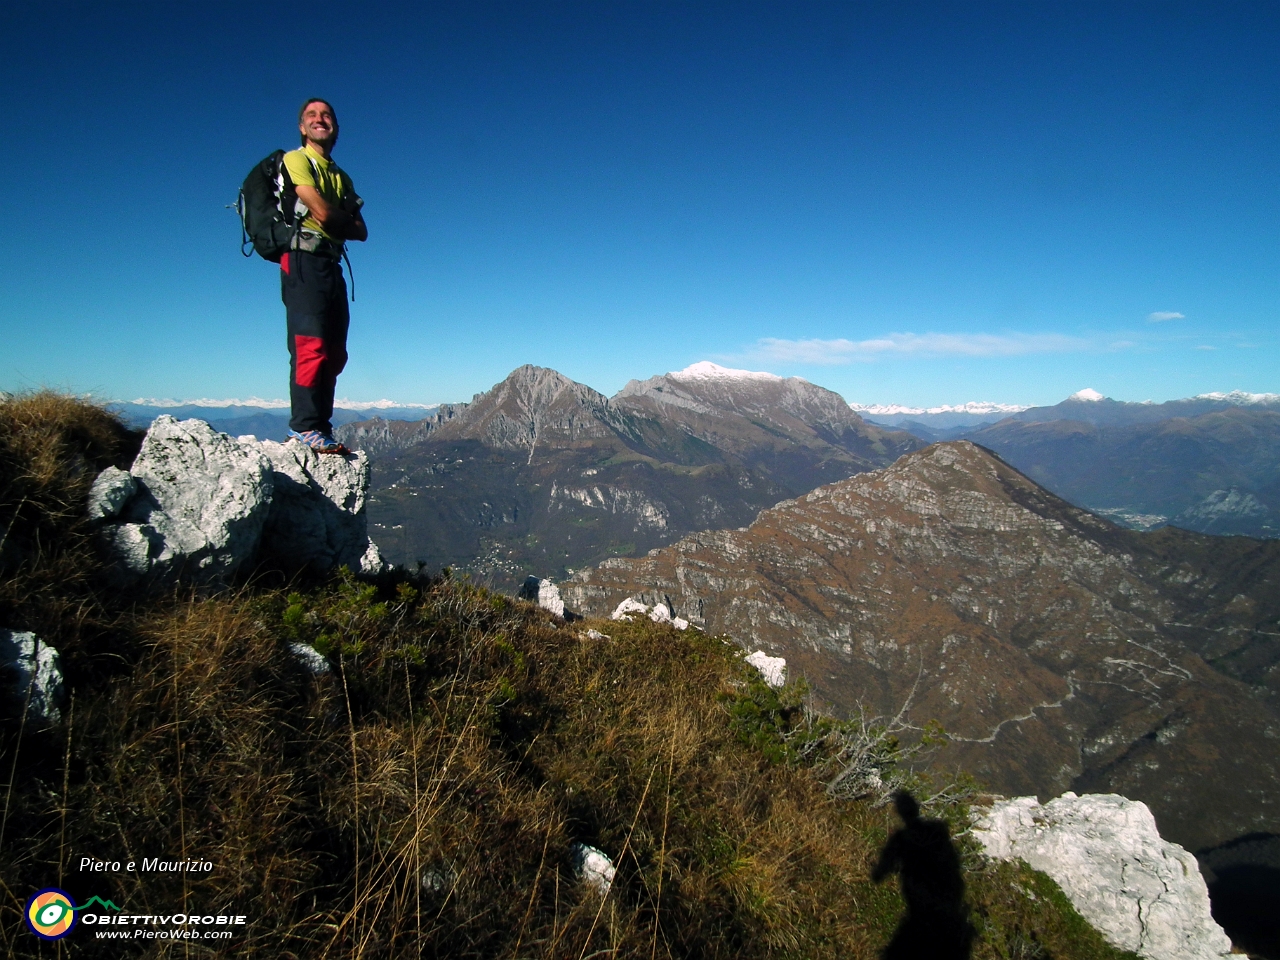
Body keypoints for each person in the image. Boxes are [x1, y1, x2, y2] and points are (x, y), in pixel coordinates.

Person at [281, 98, 367, 453]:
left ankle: (321, 426)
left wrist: (334, 218)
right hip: (302, 260)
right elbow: (321, 212)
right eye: (312, 116)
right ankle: (303, 427)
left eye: (327, 115)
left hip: (331, 264)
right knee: (309, 345)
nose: (320, 120)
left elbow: (361, 230)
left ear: (335, 127)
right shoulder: (296, 160)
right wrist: (335, 217)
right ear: (302, 127)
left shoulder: (341, 176)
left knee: (334, 352)